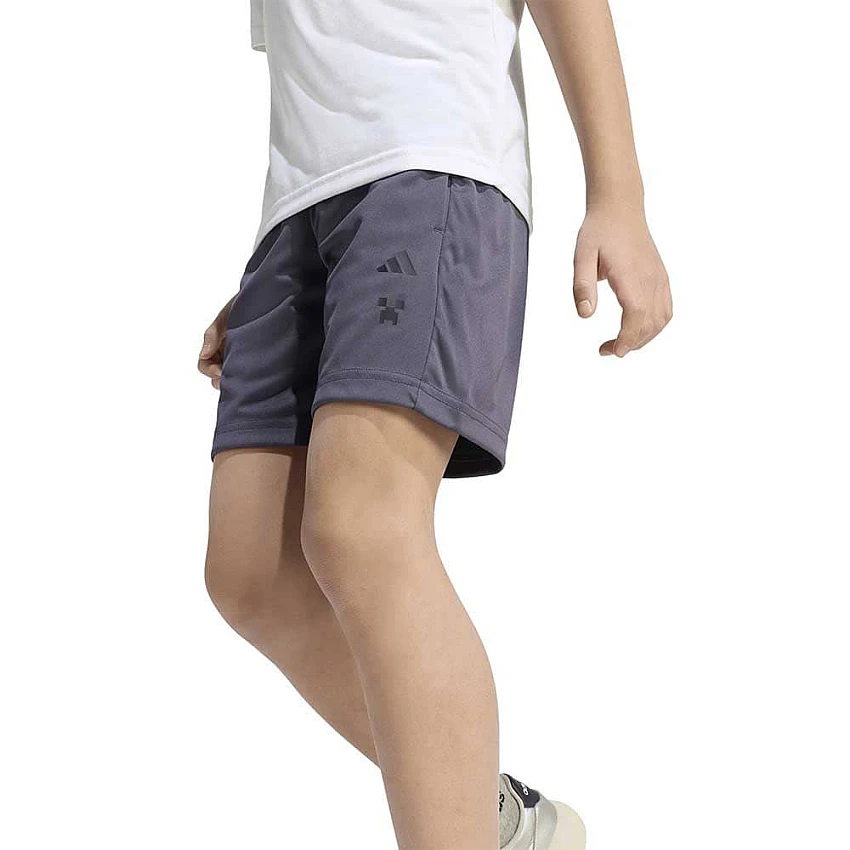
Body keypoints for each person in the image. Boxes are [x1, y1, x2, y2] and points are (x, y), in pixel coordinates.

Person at [197, 0, 672, 847]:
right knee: (250, 572)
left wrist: (618, 195)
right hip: (300, 209)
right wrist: (279, 264)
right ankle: (491, 818)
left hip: (432, 159)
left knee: (362, 527)